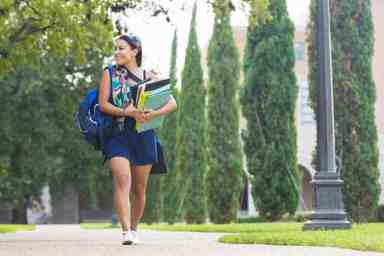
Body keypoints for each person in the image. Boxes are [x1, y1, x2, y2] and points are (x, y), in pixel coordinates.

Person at [98, 34, 177, 245]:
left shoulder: (149, 75)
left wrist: (153, 114)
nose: (117, 52)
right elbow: (103, 105)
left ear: (135, 51)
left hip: (144, 135)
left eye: (121, 48)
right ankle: (125, 232)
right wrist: (128, 111)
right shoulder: (110, 74)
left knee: (139, 189)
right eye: (116, 48)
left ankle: (134, 229)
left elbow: (172, 103)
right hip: (119, 134)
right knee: (123, 181)